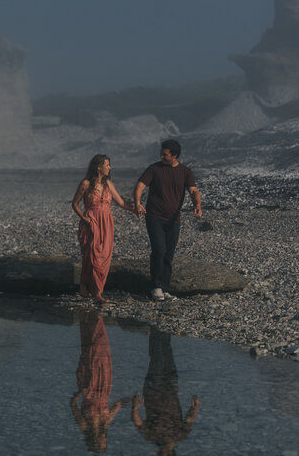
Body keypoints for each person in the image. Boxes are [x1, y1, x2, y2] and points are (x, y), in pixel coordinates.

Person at [133, 140, 202, 302]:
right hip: (154, 216)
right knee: (159, 250)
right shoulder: (154, 169)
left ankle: (165, 289)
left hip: (173, 219)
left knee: (168, 254)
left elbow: (193, 190)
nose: (161, 156)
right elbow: (140, 186)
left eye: (165, 154)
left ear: (175, 156)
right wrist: (137, 203)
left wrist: (197, 205)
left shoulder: (185, 172)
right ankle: (155, 287)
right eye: (161, 153)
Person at [72, 154, 135, 303]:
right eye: (107, 165)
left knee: (105, 256)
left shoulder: (108, 184)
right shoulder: (86, 183)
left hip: (106, 223)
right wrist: (85, 219)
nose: (109, 168)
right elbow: (75, 204)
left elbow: (121, 203)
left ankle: (94, 290)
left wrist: (135, 209)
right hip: (91, 222)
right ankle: (94, 291)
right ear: (98, 167)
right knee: (93, 255)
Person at [131, 328, 200, 456]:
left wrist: (134, 407)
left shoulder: (151, 436)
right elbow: (189, 419)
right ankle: (165, 327)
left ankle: (156, 328)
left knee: (157, 356)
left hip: (153, 390)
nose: (158, 453)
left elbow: (138, 422)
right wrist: (195, 408)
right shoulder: (181, 435)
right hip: (171, 388)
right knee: (167, 353)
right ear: (170, 453)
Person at [71, 311, 132, 453]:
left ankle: (86, 314)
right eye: (105, 442)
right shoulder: (106, 423)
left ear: (96, 442)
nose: (105, 440)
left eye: (102, 443)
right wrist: (132, 401)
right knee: (102, 349)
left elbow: (73, 404)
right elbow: (118, 404)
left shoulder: (85, 426)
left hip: (88, 386)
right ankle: (96, 315)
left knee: (90, 351)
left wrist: (81, 392)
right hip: (104, 386)